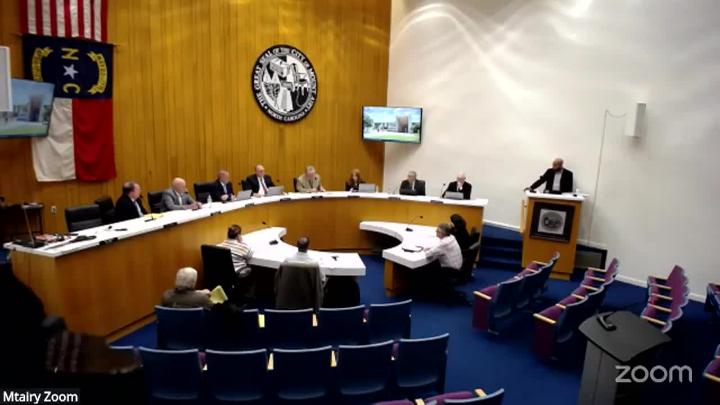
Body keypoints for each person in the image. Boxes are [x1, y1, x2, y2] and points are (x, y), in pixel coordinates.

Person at [274, 236, 324, 309]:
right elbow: (320, 283)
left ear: (297, 245)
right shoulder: (314, 265)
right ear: (308, 246)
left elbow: (277, 281)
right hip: (305, 308)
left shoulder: (286, 262)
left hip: (285, 306)